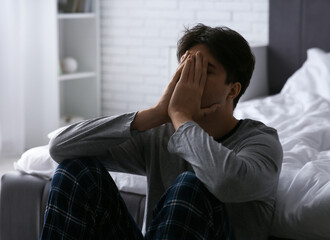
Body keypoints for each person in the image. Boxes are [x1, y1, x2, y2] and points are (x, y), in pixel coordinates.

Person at [41, 23, 283, 240]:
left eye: (203, 71)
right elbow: (60, 148)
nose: (188, 81)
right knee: (75, 171)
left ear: (232, 90)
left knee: (191, 185)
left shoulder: (261, 141)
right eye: (185, 68)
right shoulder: (160, 134)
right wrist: (155, 114)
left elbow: (225, 182)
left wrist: (181, 116)